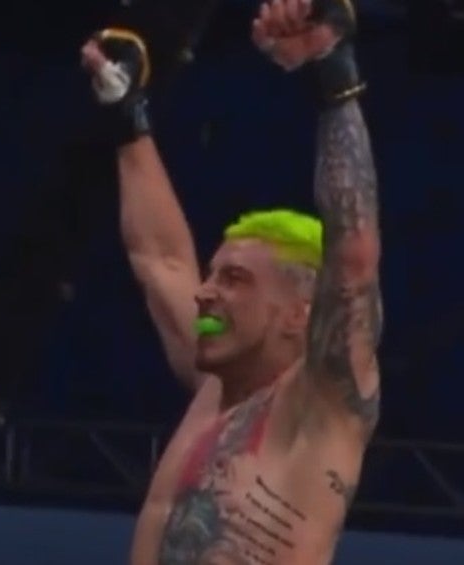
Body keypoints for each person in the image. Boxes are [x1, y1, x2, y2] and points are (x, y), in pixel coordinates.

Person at [81, 0, 381, 562]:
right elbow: (162, 259)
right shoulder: (214, 389)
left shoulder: (320, 405)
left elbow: (354, 262)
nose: (205, 291)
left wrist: (333, 69)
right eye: (214, 275)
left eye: (235, 279)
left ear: (301, 312)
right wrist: (127, 116)